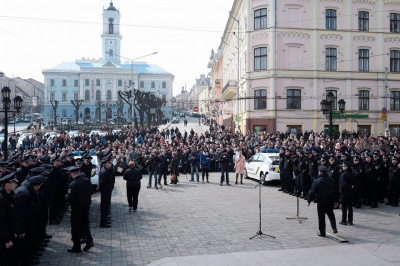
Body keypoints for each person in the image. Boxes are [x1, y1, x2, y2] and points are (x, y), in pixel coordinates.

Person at [65, 166, 94, 253]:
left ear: (72, 174)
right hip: (86, 206)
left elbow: (71, 198)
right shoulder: (87, 181)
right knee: (85, 224)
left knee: (75, 227)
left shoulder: (73, 184)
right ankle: (89, 240)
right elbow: (92, 192)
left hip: (77, 208)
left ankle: (76, 247)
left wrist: (66, 197)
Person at [307, 165, 339, 237]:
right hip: (330, 200)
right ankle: (334, 227)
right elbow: (336, 192)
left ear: (320, 172)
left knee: (321, 217)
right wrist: (336, 201)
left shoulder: (317, 181)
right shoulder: (332, 180)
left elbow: (312, 191)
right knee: (331, 214)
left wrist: (309, 200)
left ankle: (322, 232)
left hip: (321, 201)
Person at [0, 173, 19, 266]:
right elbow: (1, 222)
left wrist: (14, 231)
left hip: (11, 233)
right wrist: (7, 240)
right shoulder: (1, 199)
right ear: (7, 184)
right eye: (13, 183)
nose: (16, 185)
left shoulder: (10, 195)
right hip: (4, 238)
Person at [99, 155, 115, 228]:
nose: (111, 164)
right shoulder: (104, 172)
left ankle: (104, 221)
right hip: (105, 192)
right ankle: (103, 223)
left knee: (106, 206)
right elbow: (102, 183)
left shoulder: (107, 170)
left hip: (107, 191)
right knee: (104, 207)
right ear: (105, 164)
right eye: (109, 163)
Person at [339, 161, 355, 225]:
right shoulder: (352, 174)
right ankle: (350, 220)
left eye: (344, 166)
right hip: (350, 192)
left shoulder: (344, 175)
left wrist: (340, 192)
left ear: (347, 167)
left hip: (344, 193)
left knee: (344, 207)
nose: (343, 167)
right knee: (350, 207)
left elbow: (343, 185)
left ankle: (344, 220)